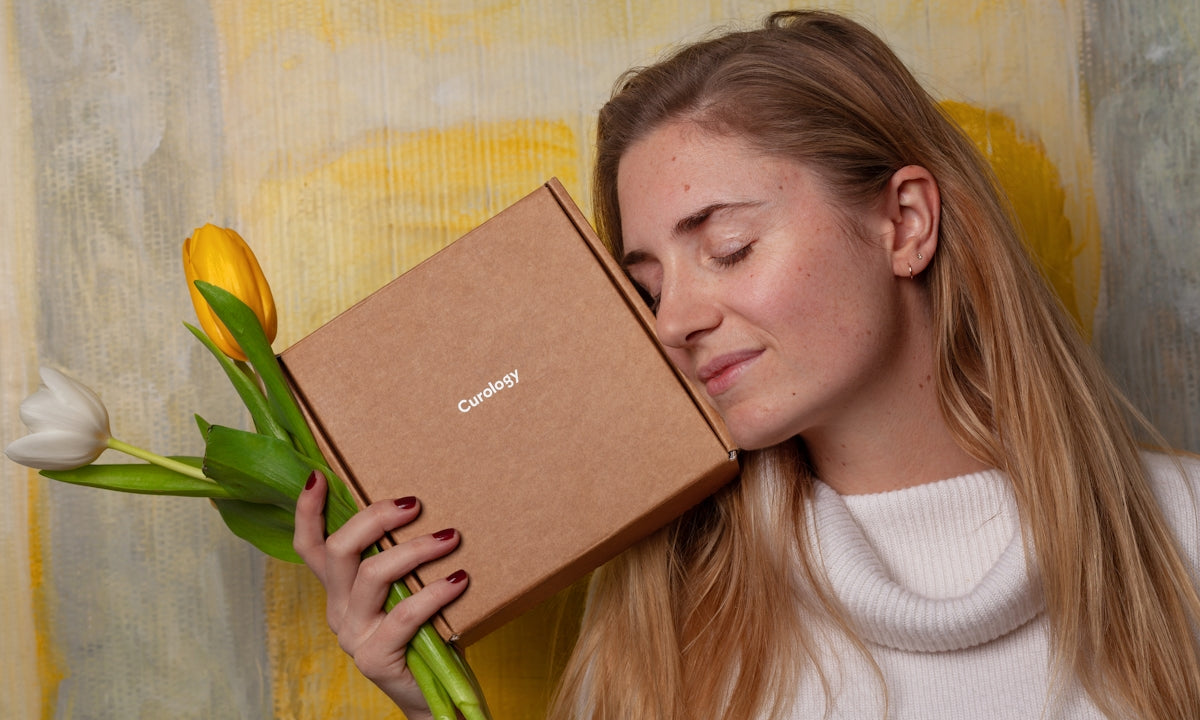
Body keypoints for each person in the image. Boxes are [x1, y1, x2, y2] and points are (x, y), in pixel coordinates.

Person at [293, 9, 1200, 719]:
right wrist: (430, 707)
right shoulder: (664, 627)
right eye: (646, 287)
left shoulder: (1184, 536)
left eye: (727, 246)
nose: (673, 321)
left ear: (906, 224)